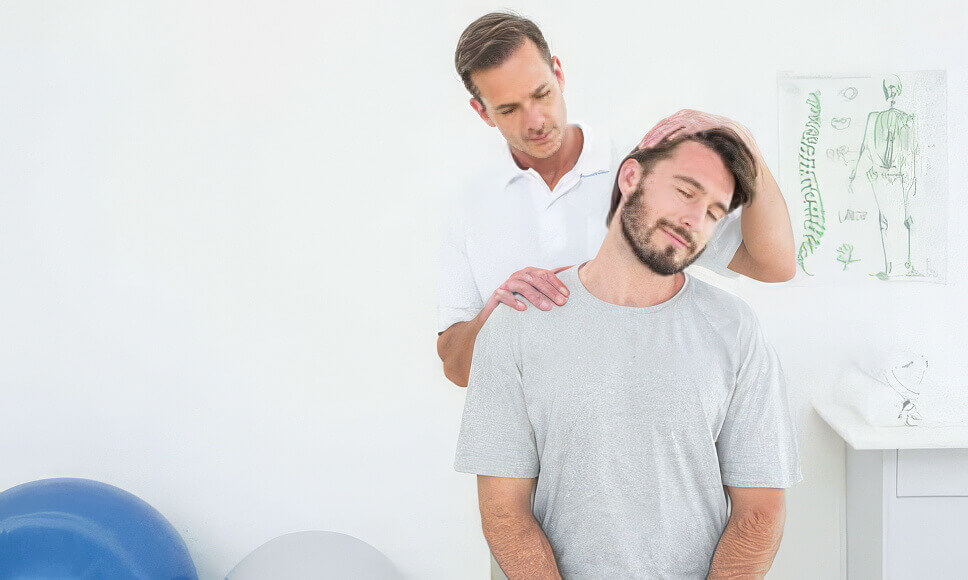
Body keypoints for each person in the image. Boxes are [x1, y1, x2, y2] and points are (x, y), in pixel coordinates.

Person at [454, 128, 802, 578]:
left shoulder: (734, 329)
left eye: (714, 212)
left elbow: (759, 513)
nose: (695, 219)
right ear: (631, 177)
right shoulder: (520, 321)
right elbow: (504, 512)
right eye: (684, 191)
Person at [437, 12, 797, 388]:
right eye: (509, 109)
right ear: (482, 112)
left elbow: (773, 265)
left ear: (558, 73)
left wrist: (745, 143)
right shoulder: (468, 205)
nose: (535, 121)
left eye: (541, 94)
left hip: (636, 423)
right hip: (525, 438)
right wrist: (496, 315)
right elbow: (457, 368)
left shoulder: (639, 171)